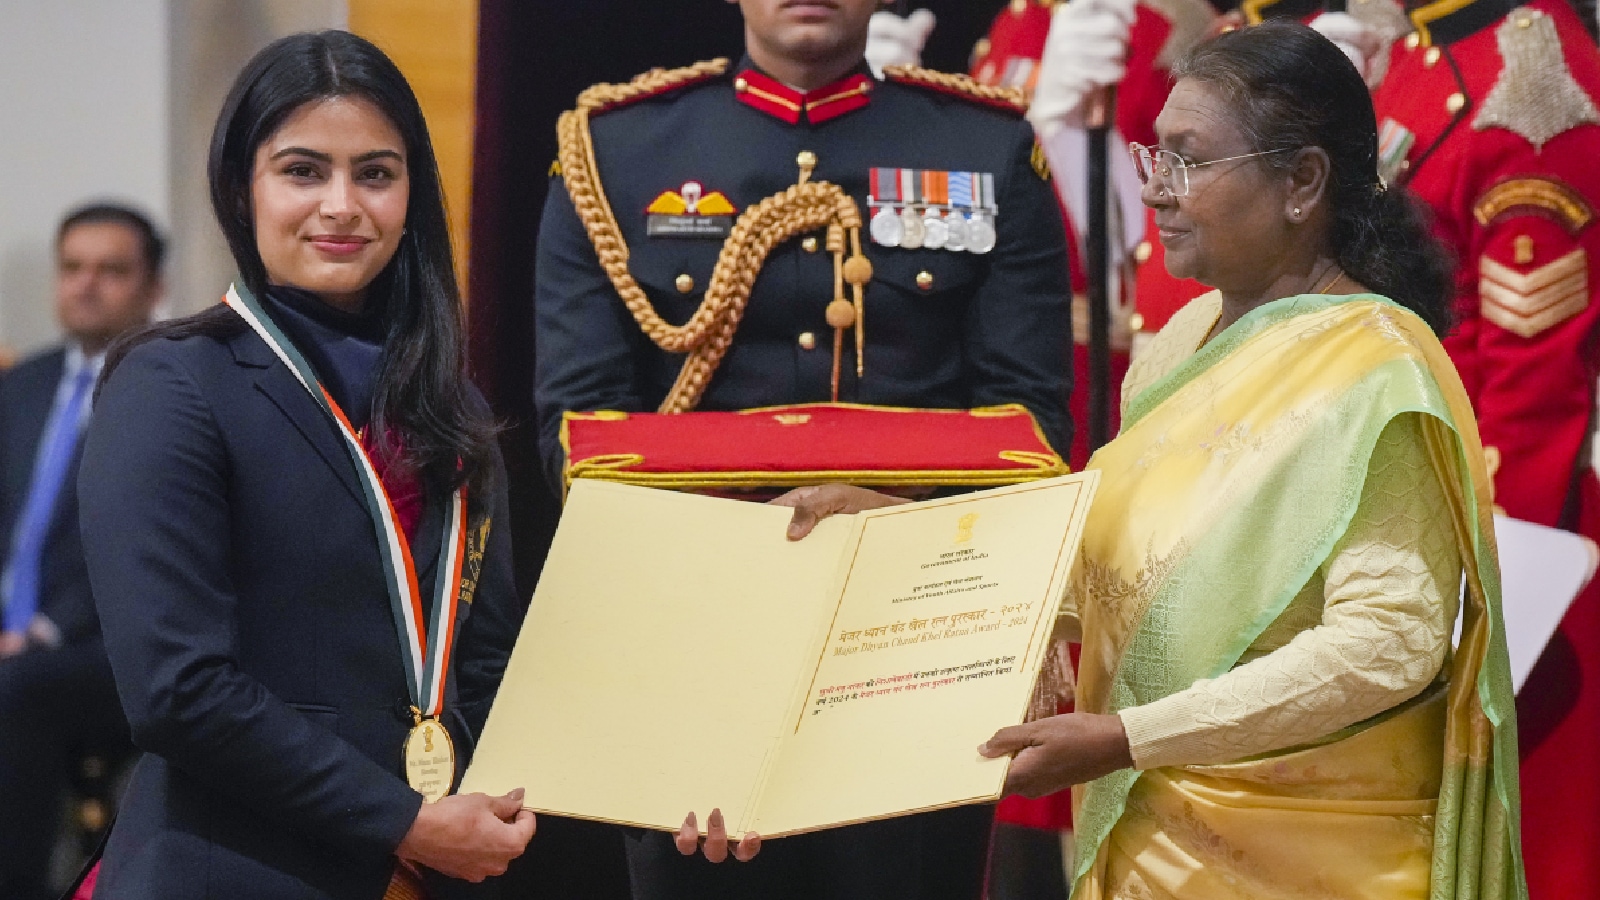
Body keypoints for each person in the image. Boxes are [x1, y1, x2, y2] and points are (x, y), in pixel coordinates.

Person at [778, 22, 1527, 899]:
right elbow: (1099, 565)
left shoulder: (1378, 369)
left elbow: (1386, 645)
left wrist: (1130, 738)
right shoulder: (1178, 345)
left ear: (1302, 181)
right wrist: (899, 533)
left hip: (1313, 863)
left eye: (1189, 161)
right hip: (1150, 847)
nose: (1158, 193)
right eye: (1152, 159)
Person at [534, 1, 1069, 898]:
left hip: (911, 638)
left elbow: (1031, 426)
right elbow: (579, 426)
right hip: (692, 634)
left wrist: (890, 532)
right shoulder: (618, 147)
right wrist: (749, 552)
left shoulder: (987, 146)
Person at [75, 31, 535, 899]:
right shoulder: (171, 382)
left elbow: (489, 660)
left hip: (428, 871)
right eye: (301, 170)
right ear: (242, 190)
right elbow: (179, 690)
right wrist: (402, 820)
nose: (341, 205)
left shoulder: (452, 407)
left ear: (411, 195)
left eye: (375, 172)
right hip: (233, 867)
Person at [1367, 1, 1600, 894]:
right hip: (1418, 475)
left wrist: (1495, 572)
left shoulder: (1530, 84)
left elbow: (1535, 381)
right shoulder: (1433, 47)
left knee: (1530, 839)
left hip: (1503, 524)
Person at [0, 203, 163, 900]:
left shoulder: (171, 388)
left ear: (153, 287)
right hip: (15, 636)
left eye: (111, 270)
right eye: (72, 268)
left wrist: (38, 630)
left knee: (15, 689)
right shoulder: (23, 383)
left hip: (113, 648)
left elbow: (141, 547)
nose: (86, 285)